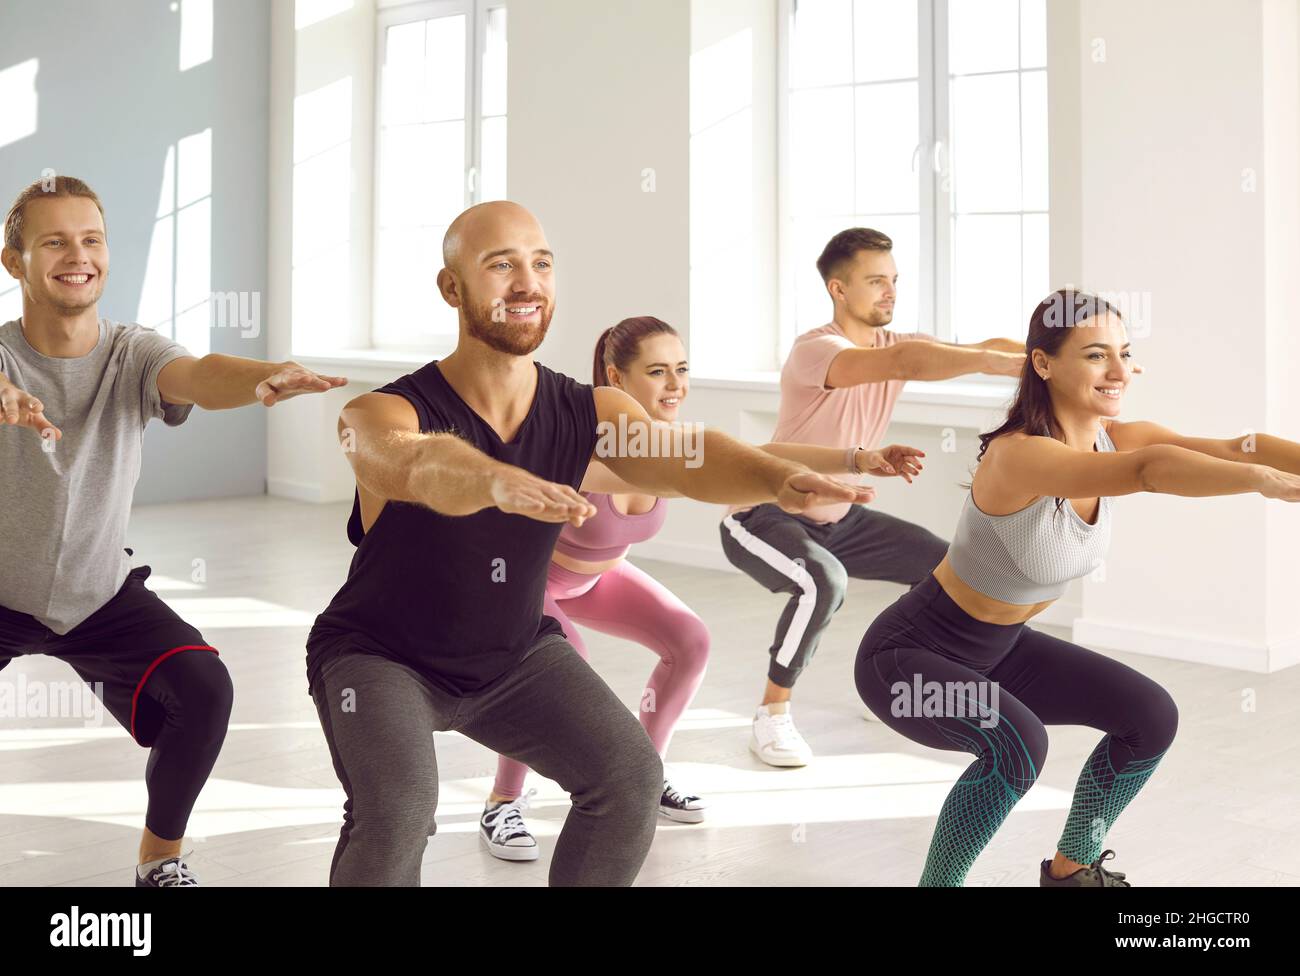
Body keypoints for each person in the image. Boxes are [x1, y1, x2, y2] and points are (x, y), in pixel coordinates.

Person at [304, 200, 872, 886]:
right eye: (500, 265)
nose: (527, 282)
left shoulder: (588, 412)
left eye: (541, 263)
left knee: (629, 779)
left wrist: (777, 478)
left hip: (513, 654)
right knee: (398, 812)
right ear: (451, 289)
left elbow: (681, 453)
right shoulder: (380, 411)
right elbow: (412, 464)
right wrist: (495, 480)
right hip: (379, 658)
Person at [855, 289, 1300, 886]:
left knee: (1149, 715)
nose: (1118, 371)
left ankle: (1071, 873)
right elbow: (1148, 474)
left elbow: (1233, 446)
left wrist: (1268, 463)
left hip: (1004, 648)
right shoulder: (1020, 456)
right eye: (1095, 355)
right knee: (1018, 745)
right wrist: (1261, 482)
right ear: (1043, 363)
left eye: (1124, 352)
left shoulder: (1120, 436)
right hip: (910, 657)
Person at [0, 176, 346, 886]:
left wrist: (261, 378)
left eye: (91, 239)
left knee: (204, 689)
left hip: (97, 594)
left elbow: (198, 373)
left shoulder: (131, 353)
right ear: (15, 262)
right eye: (55, 241)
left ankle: (159, 861)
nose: (79, 255)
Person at [480, 314, 927, 861]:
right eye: (658, 371)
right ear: (616, 380)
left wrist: (859, 459)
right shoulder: (591, 440)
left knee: (689, 639)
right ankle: (504, 799)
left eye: (682, 369)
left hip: (598, 578)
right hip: (533, 582)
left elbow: (758, 451)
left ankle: (646, 775)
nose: (675, 385)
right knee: (562, 656)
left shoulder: (671, 440)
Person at [721, 227, 1025, 767]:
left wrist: (1054, 357)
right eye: (876, 281)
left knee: (944, 566)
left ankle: (892, 686)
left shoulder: (892, 343)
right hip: (764, 512)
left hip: (839, 517)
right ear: (838, 289)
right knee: (822, 580)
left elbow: (973, 348)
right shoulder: (818, 349)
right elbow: (907, 363)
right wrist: (988, 363)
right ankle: (772, 715)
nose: (890, 291)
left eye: (894, 281)